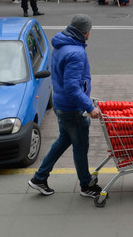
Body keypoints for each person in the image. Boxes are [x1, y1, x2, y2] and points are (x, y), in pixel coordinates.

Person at [28, 14, 104, 199]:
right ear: (84, 32)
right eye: (89, 29)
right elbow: (72, 87)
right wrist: (89, 107)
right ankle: (86, 185)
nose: (90, 32)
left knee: (64, 140)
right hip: (72, 109)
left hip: (62, 104)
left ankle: (39, 178)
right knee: (80, 147)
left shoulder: (62, 46)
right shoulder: (76, 53)